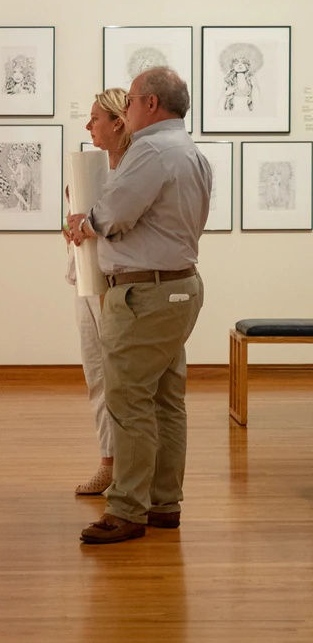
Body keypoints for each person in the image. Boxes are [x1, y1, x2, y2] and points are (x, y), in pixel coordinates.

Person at [67, 67, 211, 545]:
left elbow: (116, 213)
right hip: (181, 287)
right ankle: (164, 503)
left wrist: (85, 223)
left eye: (129, 101)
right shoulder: (191, 152)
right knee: (167, 401)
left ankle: (126, 510)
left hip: (144, 294)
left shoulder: (150, 150)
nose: (124, 109)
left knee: (128, 400)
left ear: (151, 104)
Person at [66, 87, 130, 496]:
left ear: (118, 122)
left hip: (115, 283)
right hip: (85, 282)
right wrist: (71, 227)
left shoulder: (133, 173)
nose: (88, 125)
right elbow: (76, 222)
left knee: (120, 379)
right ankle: (108, 462)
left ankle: (130, 468)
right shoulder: (88, 167)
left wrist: (89, 226)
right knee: (96, 375)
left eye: (95, 118)